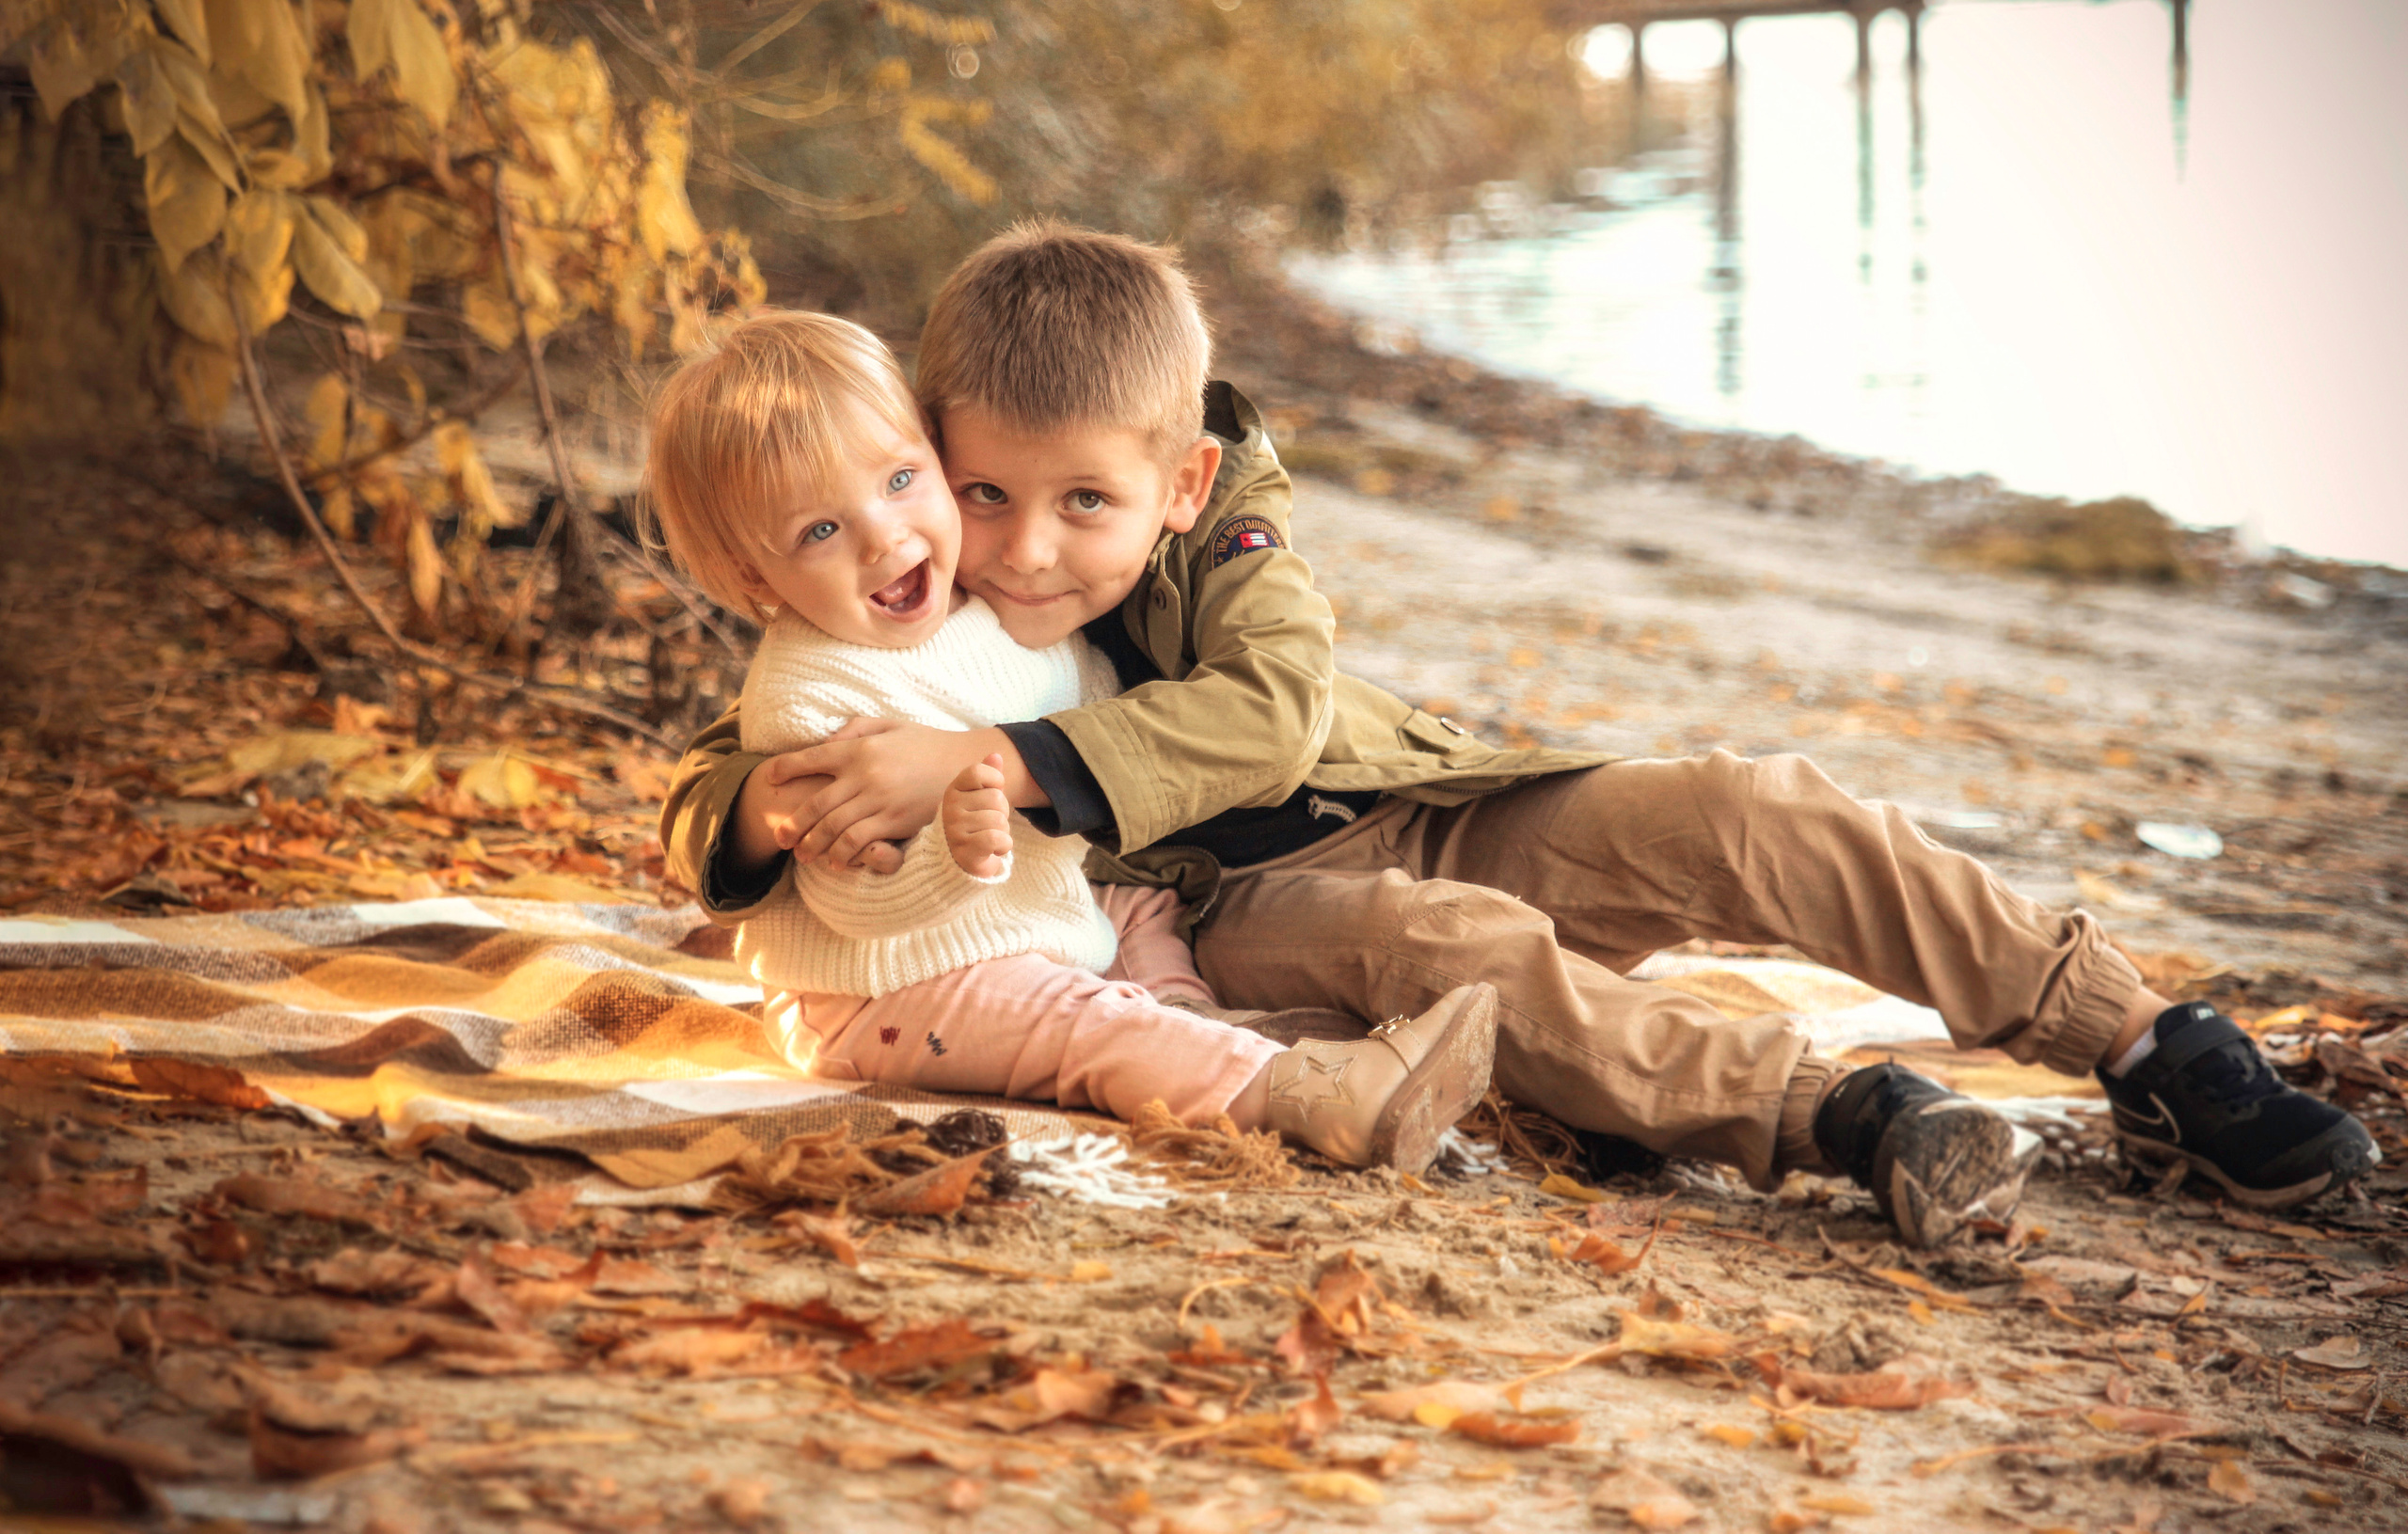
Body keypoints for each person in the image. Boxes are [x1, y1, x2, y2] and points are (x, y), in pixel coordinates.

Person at [660, 226, 2378, 1246]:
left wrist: (1006, 767)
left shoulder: (1229, 540)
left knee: (1746, 808)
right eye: (983, 492)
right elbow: (754, 749)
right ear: (932, 450)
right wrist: (759, 816)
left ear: (1177, 481)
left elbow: (1272, 709)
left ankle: (2141, 1039)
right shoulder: (902, 600)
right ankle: (1848, 1113)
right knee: (1455, 947)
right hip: (1217, 909)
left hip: (1408, 790)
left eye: (1083, 503)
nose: (1025, 548)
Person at [641, 308, 1497, 1175]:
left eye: (900, 479)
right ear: (753, 575)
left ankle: (1190, 1022)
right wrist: (956, 857)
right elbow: (854, 905)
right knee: (1080, 1024)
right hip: (881, 991)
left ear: (935, 452)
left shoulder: (985, 608)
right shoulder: (810, 695)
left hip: (1017, 919)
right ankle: (1321, 1097)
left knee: (1141, 907)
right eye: (820, 531)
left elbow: (1083, 696)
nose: (883, 537)